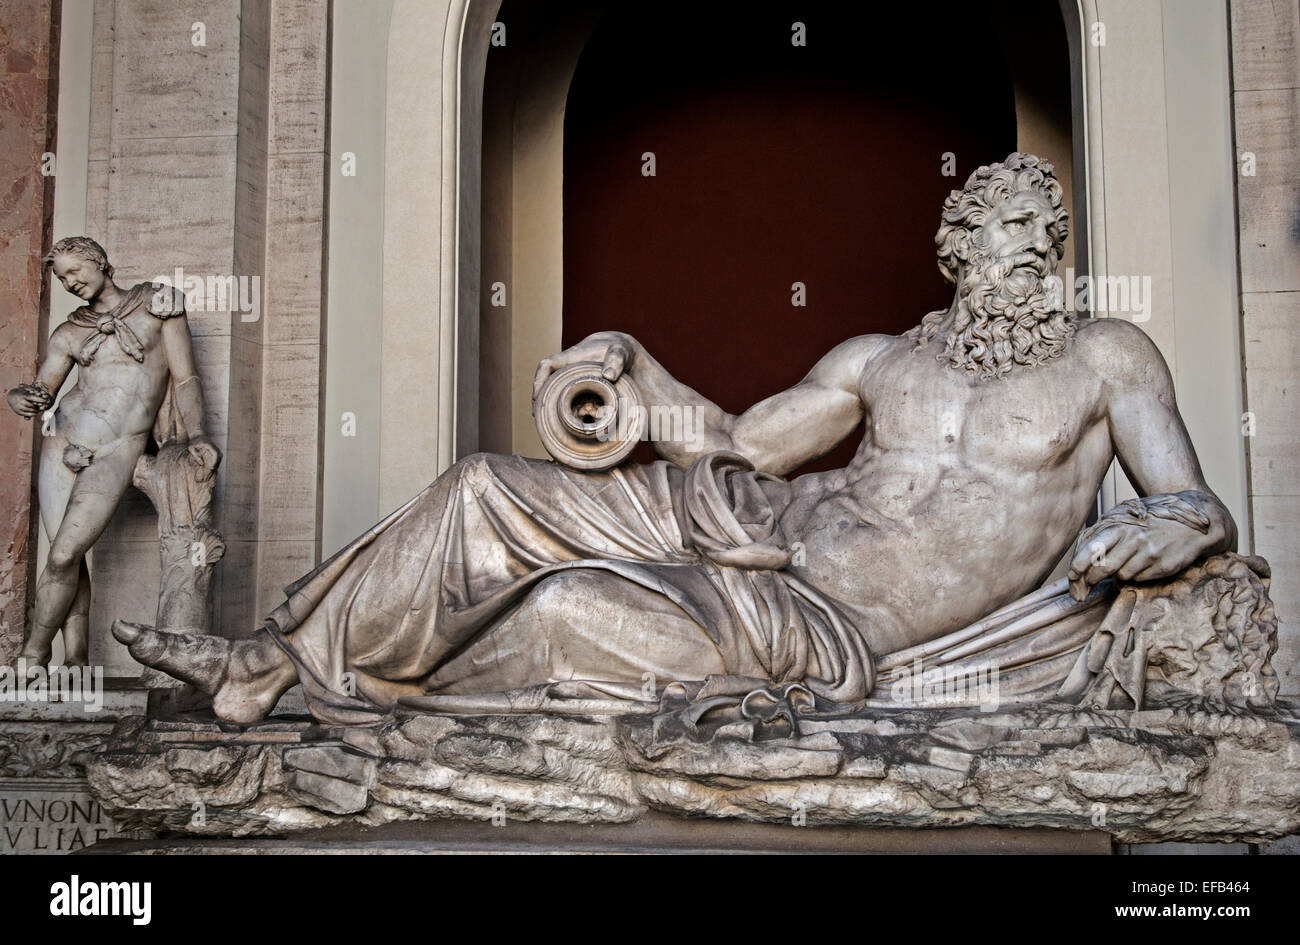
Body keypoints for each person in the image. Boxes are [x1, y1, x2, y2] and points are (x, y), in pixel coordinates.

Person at [115, 153, 1235, 724]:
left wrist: (1170, 528)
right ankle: (272, 657)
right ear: (956, 245)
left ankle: (330, 700)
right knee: (480, 486)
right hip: (748, 519)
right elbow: (741, 442)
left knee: (561, 611)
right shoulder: (877, 358)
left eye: (1043, 233)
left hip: (814, 615)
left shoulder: (1105, 357)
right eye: (1000, 228)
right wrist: (635, 379)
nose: (1026, 248)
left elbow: (1195, 506)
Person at [7, 237, 219, 665]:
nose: (70, 282)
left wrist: (197, 434)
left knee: (65, 552)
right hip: (64, 441)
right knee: (64, 556)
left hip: (117, 446)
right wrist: (19, 397)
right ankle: (76, 659)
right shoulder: (69, 331)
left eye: (75, 271)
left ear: (100, 262)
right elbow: (43, 391)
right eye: (61, 277)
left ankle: (31, 654)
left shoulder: (157, 306)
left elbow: (185, 380)